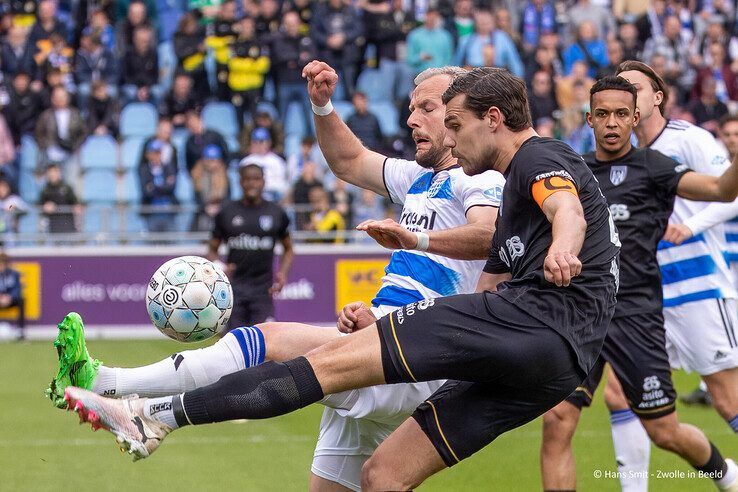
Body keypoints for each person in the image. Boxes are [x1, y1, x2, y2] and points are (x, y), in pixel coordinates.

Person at [57, 65, 621, 491]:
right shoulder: (428, 180)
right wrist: (323, 108)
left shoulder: (507, 171)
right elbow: (354, 165)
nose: (418, 120)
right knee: (380, 478)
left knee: (273, 342)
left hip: (431, 345)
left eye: (437, 112)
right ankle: (133, 402)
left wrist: (421, 245)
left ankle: (133, 401)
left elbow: (553, 212)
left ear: (478, 118)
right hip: (496, 350)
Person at [540, 75, 738, 492]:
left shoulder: (655, 167)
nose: (611, 123)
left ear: (634, 118)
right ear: (589, 120)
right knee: (557, 420)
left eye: (620, 114)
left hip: (637, 314)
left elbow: (721, 190)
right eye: (603, 114)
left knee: (665, 432)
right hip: (582, 314)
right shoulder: (571, 172)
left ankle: (727, 475)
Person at [602, 60, 738, 490]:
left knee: (725, 396)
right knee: (619, 395)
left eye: (635, 89)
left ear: (657, 97)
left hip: (697, 285)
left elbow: (729, 195)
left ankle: (728, 477)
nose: (627, 98)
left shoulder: (689, 139)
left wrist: (689, 226)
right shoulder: (616, 158)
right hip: (642, 295)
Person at [208, 163, 292, 329]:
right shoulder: (227, 212)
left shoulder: (276, 213)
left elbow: (288, 248)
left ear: (263, 182)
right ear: (240, 182)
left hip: (263, 291)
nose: (252, 183)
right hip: (233, 290)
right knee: (232, 344)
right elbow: (212, 249)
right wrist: (220, 266)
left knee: (265, 344)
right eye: (247, 179)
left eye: (256, 179)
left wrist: (282, 273)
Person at [138, 140, 177, 234]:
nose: (156, 155)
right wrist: (164, 185)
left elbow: (171, 188)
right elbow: (146, 191)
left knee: (170, 242)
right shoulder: (144, 169)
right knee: (152, 243)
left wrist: (154, 187)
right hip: (151, 212)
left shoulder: (169, 167)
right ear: (148, 154)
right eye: (153, 152)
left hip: (168, 212)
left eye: (158, 152)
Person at [239, 128, 288, 201]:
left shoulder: (278, 161)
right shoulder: (245, 162)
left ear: (269, 142)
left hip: (274, 197)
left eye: (261, 141)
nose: (259, 145)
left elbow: (281, 184)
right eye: (255, 142)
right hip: (252, 195)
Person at [39, 163, 81, 234]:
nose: (52, 174)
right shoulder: (45, 190)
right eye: (50, 172)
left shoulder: (67, 188)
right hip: (52, 225)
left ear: (59, 173)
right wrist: (45, 208)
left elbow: (76, 204)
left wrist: (76, 208)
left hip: (67, 223)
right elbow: (39, 208)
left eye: (55, 171)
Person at [0, 252, 24, 336]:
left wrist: (10, 297)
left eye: (2, 263)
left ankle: (20, 331)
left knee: (21, 301)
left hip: (10, 299)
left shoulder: (14, 274)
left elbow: (17, 288)